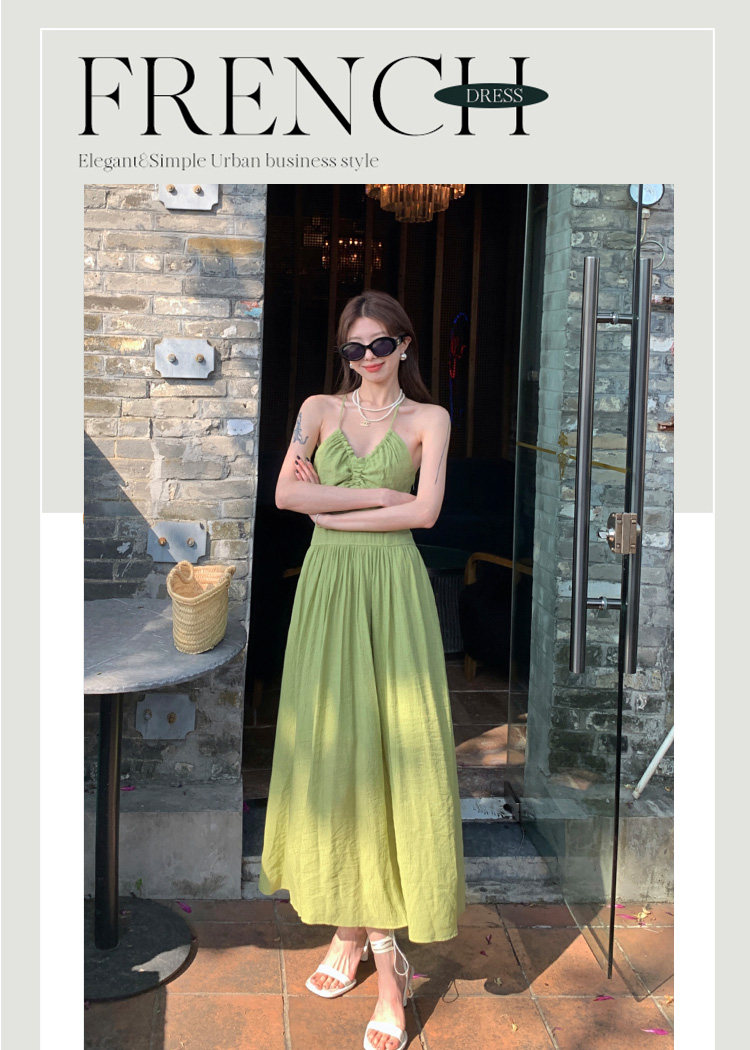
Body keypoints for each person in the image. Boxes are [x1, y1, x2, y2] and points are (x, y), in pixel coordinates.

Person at [258, 291, 465, 1050]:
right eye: (354, 349)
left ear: (404, 345)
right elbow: (286, 494)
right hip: (329, 589)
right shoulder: (317, 409)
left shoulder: (430, 420)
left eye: (380, 346)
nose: (367, 360)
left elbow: (425, 513)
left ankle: (383, 971)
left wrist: (334, 505)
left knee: (392, 761)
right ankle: (351, 935)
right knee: (337, 755)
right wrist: (380, 493)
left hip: (393, 593)